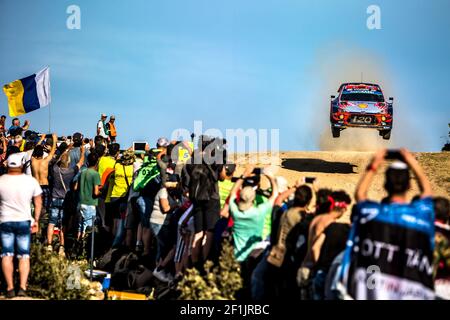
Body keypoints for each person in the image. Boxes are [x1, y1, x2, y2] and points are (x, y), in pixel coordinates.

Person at [336, 148, 435, 300]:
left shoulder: (371, 214)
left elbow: (360, 195)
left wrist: (374, 165)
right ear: (408, 184)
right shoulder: (420, 215)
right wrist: (410, 160)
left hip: (372, 293)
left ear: (385, 185)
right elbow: (428, 193)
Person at [0, 153, 42, 298]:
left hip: (5, 220)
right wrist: (36, 220)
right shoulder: (30, 181)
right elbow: (38, 202)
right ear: (22, 165)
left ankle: (10, 288)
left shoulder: (1, 181)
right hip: (24, 221)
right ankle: (22, 287)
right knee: (23, 255)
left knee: (7, 254)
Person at [46, 146, 85, 255]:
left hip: (54, 198)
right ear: (68, 162)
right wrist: (82, 152)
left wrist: (66, 150)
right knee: (64, 223)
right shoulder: (71, 171)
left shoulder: (55, 169)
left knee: (51, 222)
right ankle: (62, 247)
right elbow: (81, 163)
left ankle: (49, 245)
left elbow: (58, 159)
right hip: (65, 199)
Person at [110, 150, 135, 247]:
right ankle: (120, 243)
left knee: (115, 220)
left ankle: (113, 240)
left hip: (114, 195)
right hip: (125, 197)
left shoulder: (117, 166)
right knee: (125, 222)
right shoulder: (133, 168)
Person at [76, 153, 101, 240]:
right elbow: (96, 192)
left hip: (80, 202)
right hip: (90, 203)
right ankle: (84, 249)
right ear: (97, 162)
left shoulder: (82, 172)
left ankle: (77, 246)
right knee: (88, 228)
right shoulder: (95, 174)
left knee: (80, 227)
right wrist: (102, 192)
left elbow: (76, 186)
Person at [31, 133, 57, 217]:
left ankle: (36, 222)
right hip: (45, 186)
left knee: (36, 206)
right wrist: (55, 139)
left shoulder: (33, 161)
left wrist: (41, 139)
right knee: (45, 208)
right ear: (42, 153)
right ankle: (42, 223)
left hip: (35, 186)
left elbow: (34, 149)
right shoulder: (45, 161)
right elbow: (53, 151)